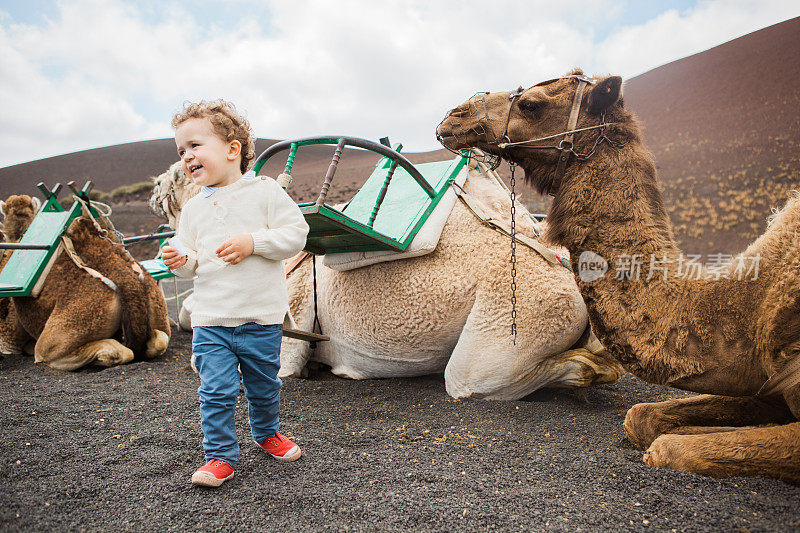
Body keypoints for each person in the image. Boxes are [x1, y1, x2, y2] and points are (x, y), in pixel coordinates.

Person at [161, 100, 309, 487]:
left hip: (260, 316)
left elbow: (296, 234)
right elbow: (193, 260)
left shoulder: (265, 193)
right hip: (211, 319)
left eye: (194, 145)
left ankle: (267, 434)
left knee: (265, 386)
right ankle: (219, 457)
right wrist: (181, 258)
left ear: (232, 149)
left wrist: (253, 243)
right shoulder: (192, 209)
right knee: (216, 391)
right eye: (181, 151)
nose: (186, 157)